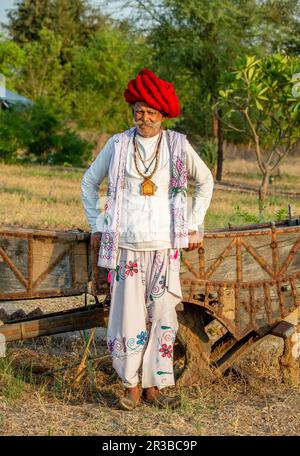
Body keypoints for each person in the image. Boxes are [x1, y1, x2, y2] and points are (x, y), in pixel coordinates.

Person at [81, 68, 214, 411]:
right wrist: (97, 224)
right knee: (128, 318)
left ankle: (155, 386)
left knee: (162, 316)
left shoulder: (177, 145)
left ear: (162, 115)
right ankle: (130, 388)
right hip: (125, 247)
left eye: (151, 113)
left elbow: (205, 182)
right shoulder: (118, 143)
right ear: (133, 113)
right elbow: (88, 182)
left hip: (164, 248)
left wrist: (193, 226)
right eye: (139, 111)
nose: (144, 118)